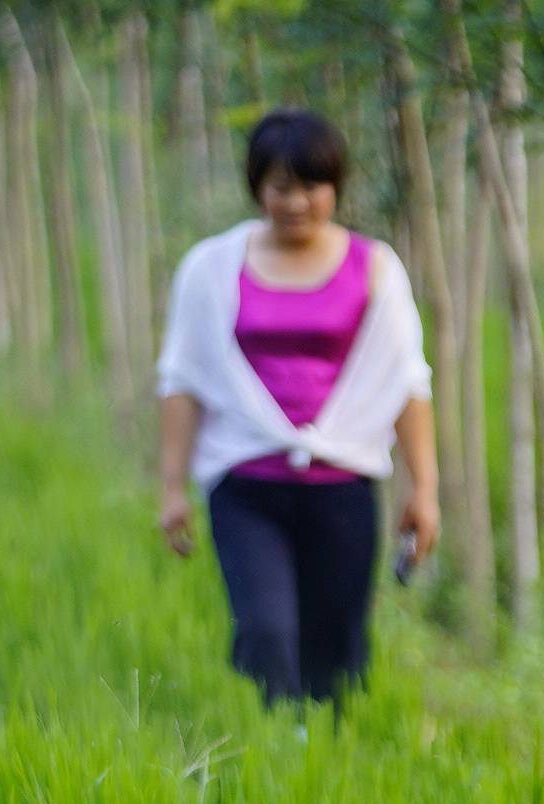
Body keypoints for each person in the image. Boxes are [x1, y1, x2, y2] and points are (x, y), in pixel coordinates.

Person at [155, 110, 438, 706]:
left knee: (334, 652)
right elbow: (183, 377)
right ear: (257, 186)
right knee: (266, 634)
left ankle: (327, 769)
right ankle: (271, 758)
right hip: (246, 485)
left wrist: (425, 488)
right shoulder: (209, 269)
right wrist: (171, 486)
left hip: (343, 487)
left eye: (312, 186)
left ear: (336, 187)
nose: (297, 203)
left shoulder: (377, 268)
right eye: (281, 187)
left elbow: (406, 382)